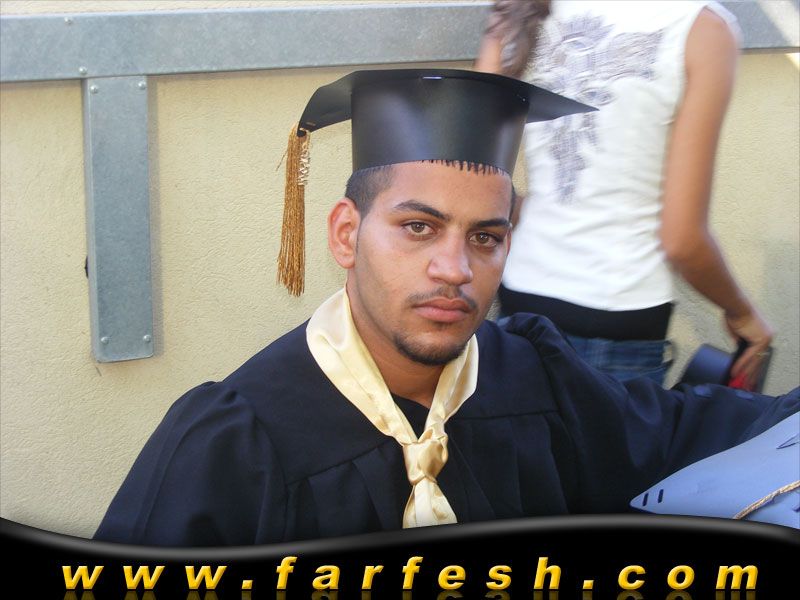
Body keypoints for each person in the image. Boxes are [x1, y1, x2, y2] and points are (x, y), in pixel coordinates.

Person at [94, 69, 798, 547]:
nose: (456, 269)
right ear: (346, 234)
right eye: (418, 228)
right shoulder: (235, 442)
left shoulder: (536, 379)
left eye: (486, 237)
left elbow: (693, 431)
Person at [475, 0, 773, 386]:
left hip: (518, 304)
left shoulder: (522, 9)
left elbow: (468, 168)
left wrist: (525, 206)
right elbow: (683, 242)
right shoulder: (701, 29)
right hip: (616, 323)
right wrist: (742, 313)